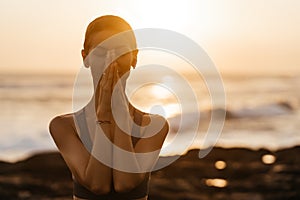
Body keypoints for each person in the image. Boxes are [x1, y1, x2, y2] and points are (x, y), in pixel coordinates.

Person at [49, 15, 169, 200]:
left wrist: (120, 116)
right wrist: (104, 116)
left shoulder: (154, 126)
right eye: (100, 53)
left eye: (120, 53)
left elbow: (125, 183)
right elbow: (98, 185)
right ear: (85, 58)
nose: (110, 61)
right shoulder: (64, 126)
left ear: (134, 58)